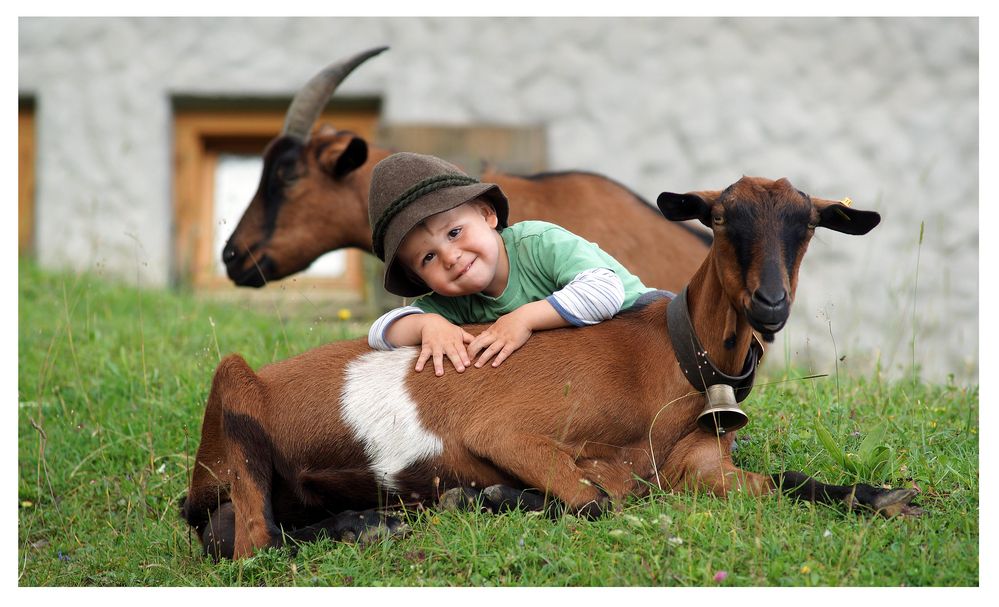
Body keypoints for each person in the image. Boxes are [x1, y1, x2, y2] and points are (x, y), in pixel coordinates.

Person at [367, 152, 653, 376]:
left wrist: (523, 319)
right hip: (608, 366)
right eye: (428, 258)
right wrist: (427, 325)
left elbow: (605, 292)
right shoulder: (454, 302)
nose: (450, 258)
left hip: (650, 328)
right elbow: (379, 332)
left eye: (454, 233)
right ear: (419, 279)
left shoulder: (538, 242)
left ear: (487, 215)